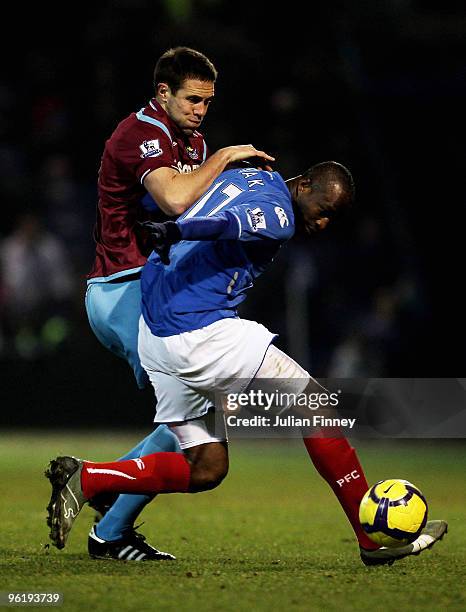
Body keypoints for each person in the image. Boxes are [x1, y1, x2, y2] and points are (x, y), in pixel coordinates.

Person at [47, 161, 447, 565]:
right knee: (317, 408)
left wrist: (164, 217)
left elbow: (186, 198)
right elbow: (227, 223)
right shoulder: (279, 215)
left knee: (206, 468)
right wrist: (176, 231)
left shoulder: (243, 175)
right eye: (323, 210)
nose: (323, 223)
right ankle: (371, 539)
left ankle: (89, 477)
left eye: (333, 219)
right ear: (303, 185)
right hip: (199, 332)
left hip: (157, 331)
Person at [84, 46, 274, 561]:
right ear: (162, 92)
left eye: (208, 102)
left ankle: (103, 494)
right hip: (122, 287)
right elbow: (174, 200)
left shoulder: (192, 139)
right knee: (189, 415)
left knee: (195, 412)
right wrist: (226, 157)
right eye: (193, 99)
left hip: (152, 289)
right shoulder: (138, 134)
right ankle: (110, 524)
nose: (201, 111)